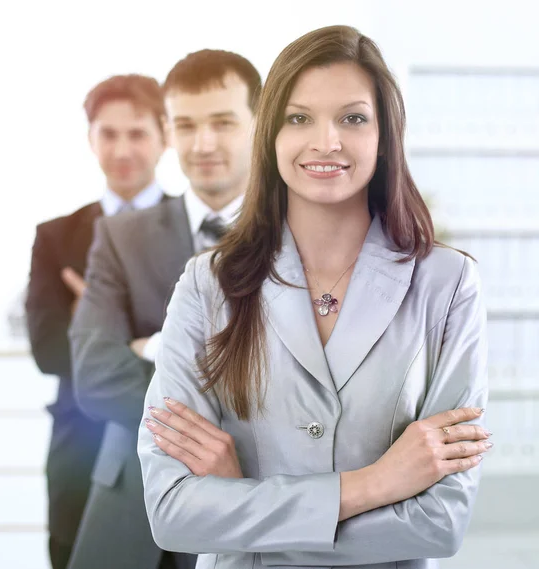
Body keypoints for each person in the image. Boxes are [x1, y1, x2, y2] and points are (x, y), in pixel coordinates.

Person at [138, 25, 491, 569]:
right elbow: (173, 512)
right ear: (270, 135)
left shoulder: (447, 285)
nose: (326, 141)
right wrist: (376, 483)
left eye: (353, 118)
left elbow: (439, 524)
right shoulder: (208, 283)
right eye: (299, 118)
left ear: (385, 136)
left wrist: (242, 506)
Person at [68, 49, 261, 569]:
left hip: (253, 507)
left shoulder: (300, 237)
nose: (203, 144)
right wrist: (220, 429)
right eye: (186, 125)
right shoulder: (120, 237)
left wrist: (153, 348)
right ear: (169, 130)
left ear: (259, 123)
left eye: (222, 122)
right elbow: (94, 376)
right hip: (130, 512)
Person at [25, 73, 166, 569]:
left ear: (164, 135)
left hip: (175, 443)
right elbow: (48, 350)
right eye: (109, 134)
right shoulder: (56, 238)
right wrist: (146, 341)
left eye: (138, 133)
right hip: (81, 444)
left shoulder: (198, 228)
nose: (122, 149)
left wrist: (95, 325)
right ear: (91, 139)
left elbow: (207, 350)